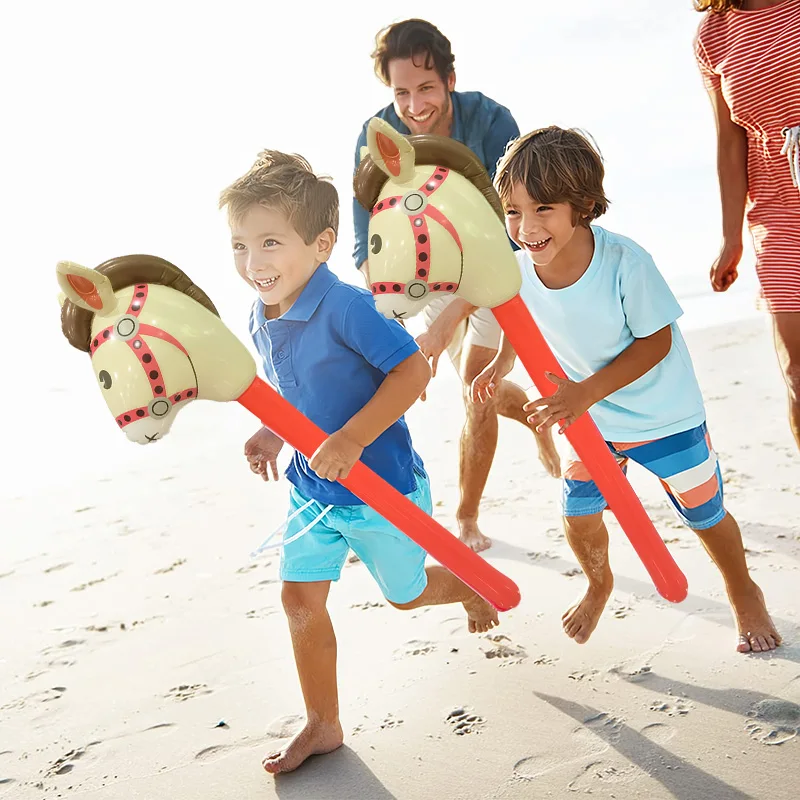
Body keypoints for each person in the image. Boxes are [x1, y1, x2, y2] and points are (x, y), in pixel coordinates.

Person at [219, 150, 499, 775]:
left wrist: (350, 438)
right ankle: (323, 722)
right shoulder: (261, 315)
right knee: (298, 600)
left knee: (405, 595)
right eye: (240, 245)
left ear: (321, 245)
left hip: (383, 489)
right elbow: (295, 392)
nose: (253, 262)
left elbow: (411, 369)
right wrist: (272, 432)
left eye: (269, 242)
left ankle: (468, 585)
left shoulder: (348, 306)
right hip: (313, 490)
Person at [471, 126, 781, 653]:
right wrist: (500, 365)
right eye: (514, 211)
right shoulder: (520, 272)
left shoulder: (624, 262)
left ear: (584, 205)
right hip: (592, 418)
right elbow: (524, 326)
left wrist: (584, 393)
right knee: (578, 512)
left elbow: (654, 343)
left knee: (703, 513)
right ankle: (599, 582)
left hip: (664, 414)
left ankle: (742, 589)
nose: (526, 227)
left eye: (542, 209)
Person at [353, 18, 560, 554]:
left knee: (475, 387)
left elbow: (506, 234)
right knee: (477, 389)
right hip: (427, 273)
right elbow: (368, 239)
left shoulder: (492, 122)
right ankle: (537, 421)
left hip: (494, 264)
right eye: (401, 93)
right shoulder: (378, 135)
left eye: (426, 89)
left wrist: (446, 325)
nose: (415, 106)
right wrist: (392, 331)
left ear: (449, 79)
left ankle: (466, 516)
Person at [694, 0, 800, 449]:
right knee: (797, 374)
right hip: (777, 213)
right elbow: (729, 140)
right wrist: (730, 237)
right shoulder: (712, 35)